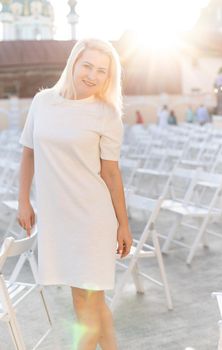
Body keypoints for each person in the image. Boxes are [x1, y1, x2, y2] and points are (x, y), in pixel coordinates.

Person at [17, 38, 133, 350]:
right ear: (73, 63)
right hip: (58, 219)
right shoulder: (42, 102)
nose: (92, 75)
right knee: (90, 301)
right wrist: (23, 201)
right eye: (87, 66)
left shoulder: (107, 114)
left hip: (92, 220)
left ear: (109, 77)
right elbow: (28, 154)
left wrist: (123, 224)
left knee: (85, 303)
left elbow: (111, 173)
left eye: (102, 71)